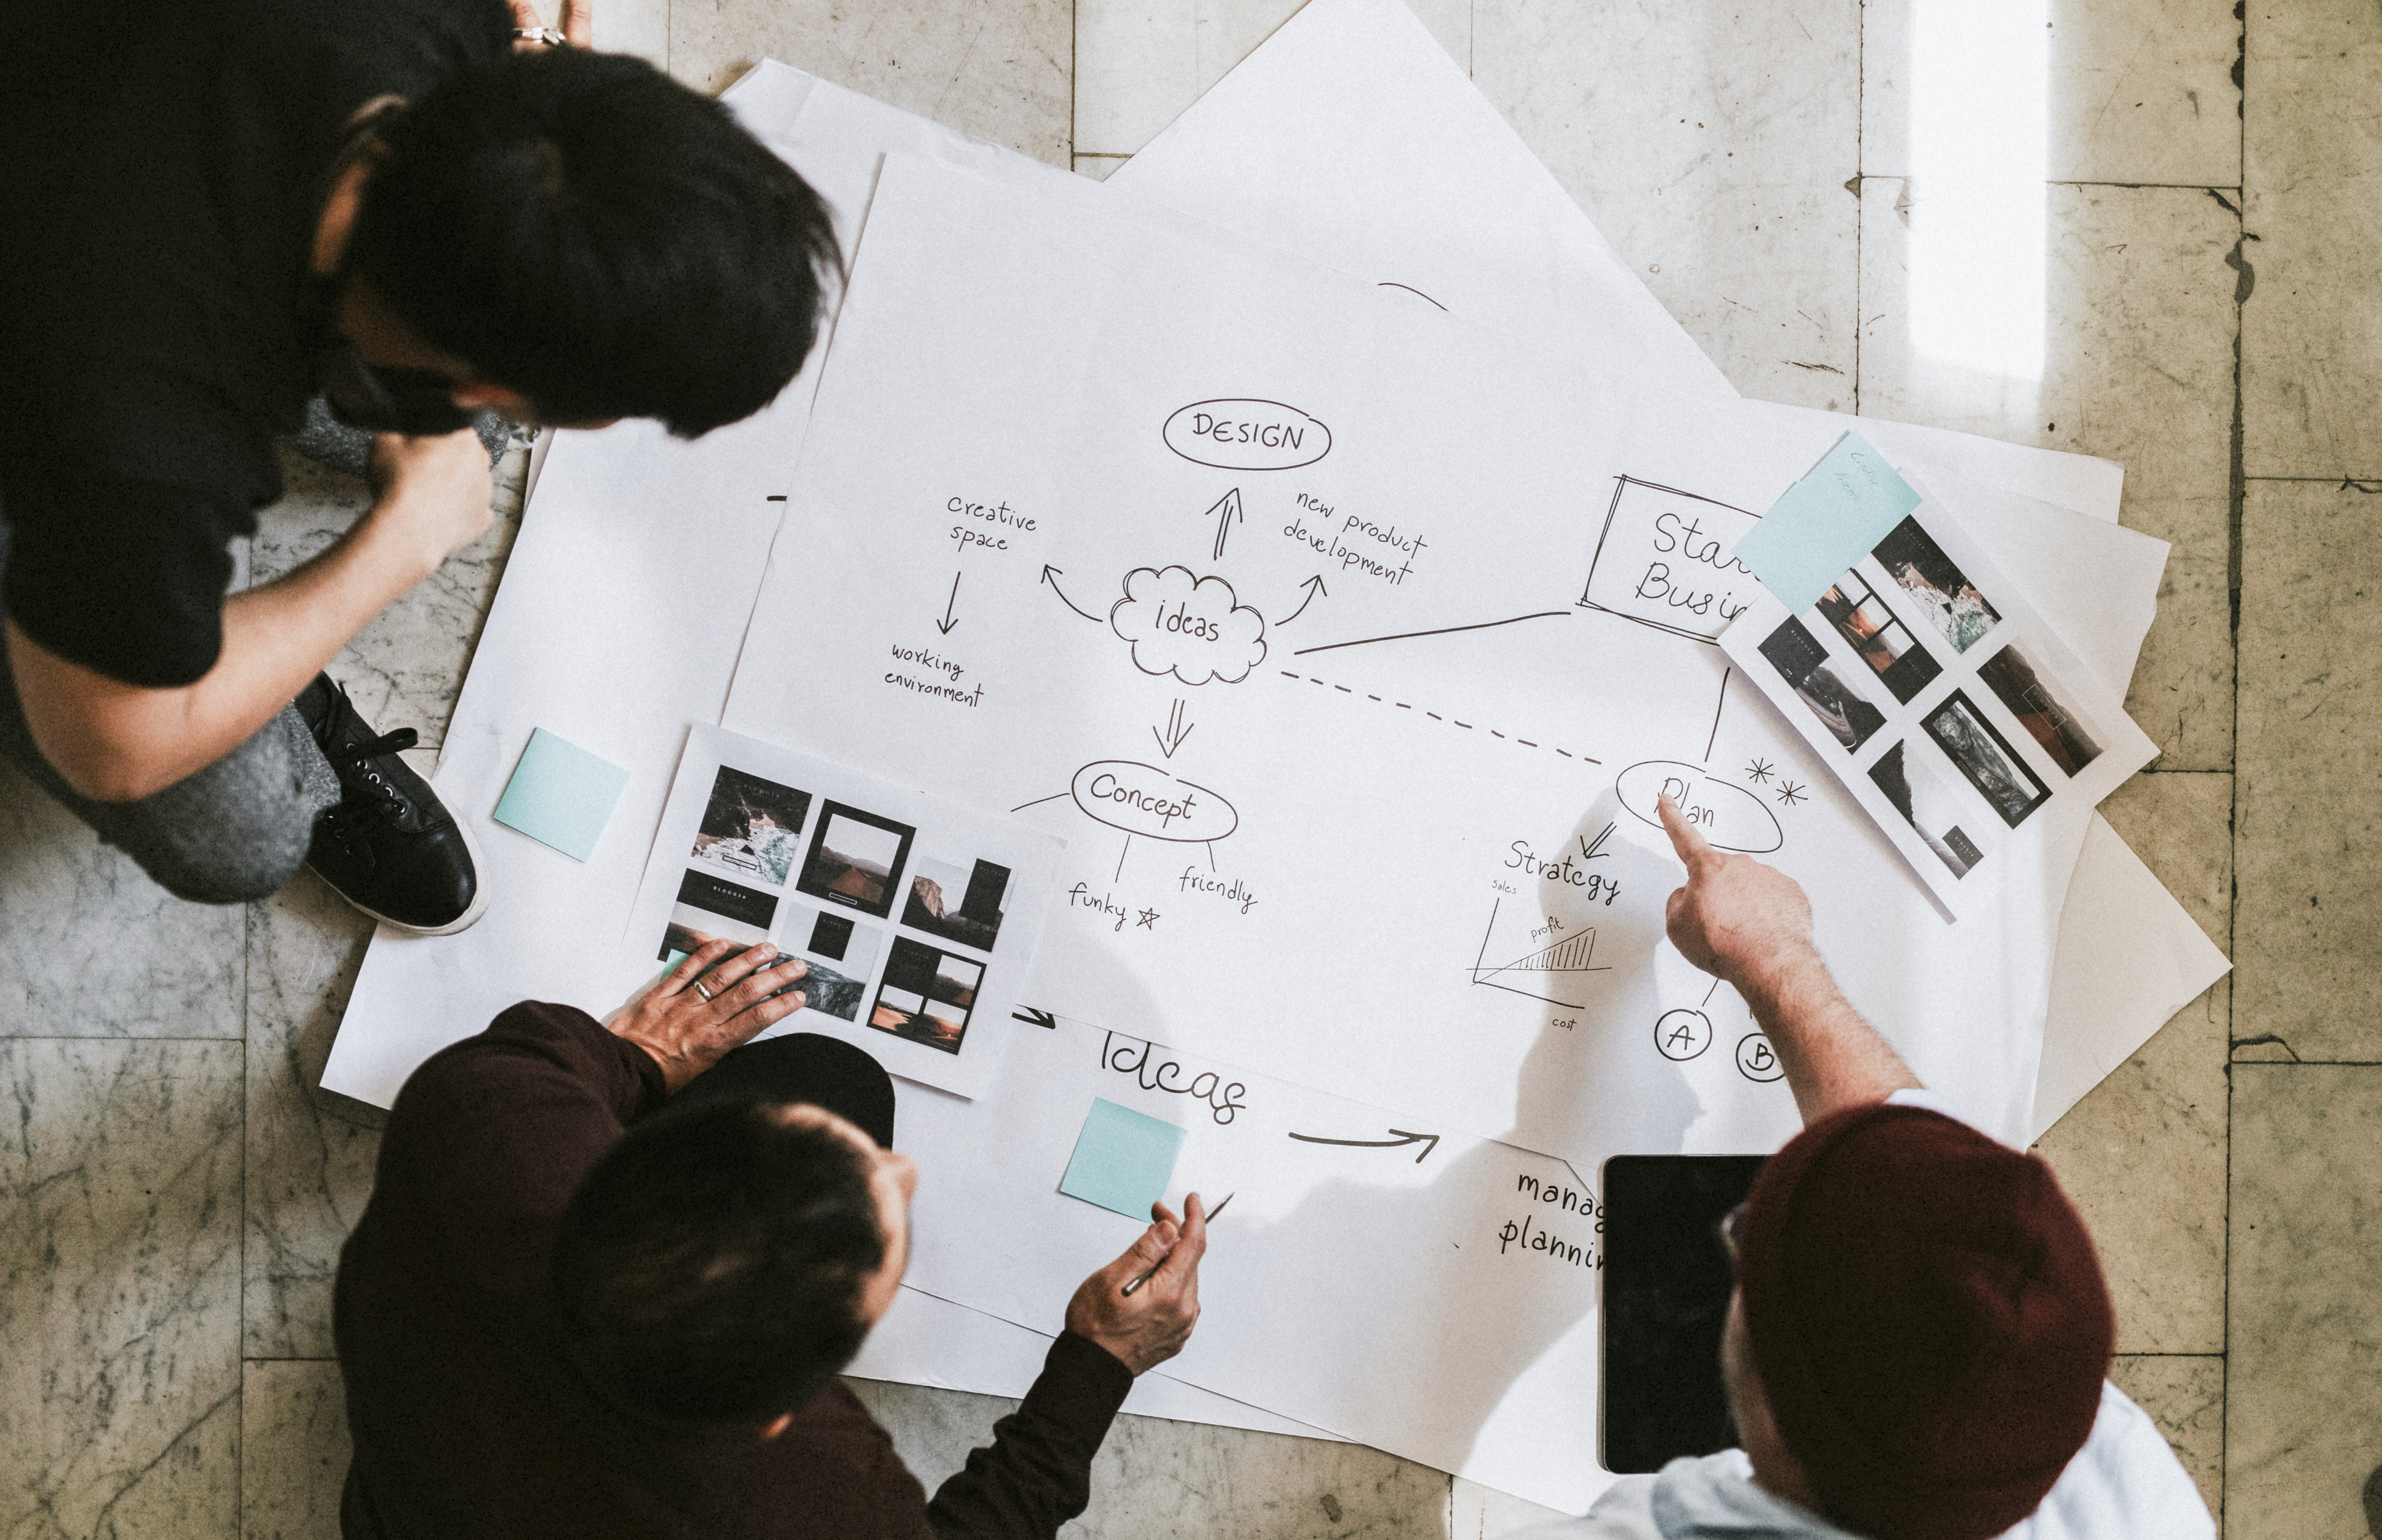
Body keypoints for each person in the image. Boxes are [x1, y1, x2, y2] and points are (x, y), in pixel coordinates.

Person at [0, 0, 837, 932]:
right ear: (475, 375)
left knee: (465, 449)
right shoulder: (140, 438)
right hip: (64, 333)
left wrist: (530, 49)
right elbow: (114, 749)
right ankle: (107, 634)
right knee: (243, 834)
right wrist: (396, 544)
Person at [333, 940, 1210, 1539]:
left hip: (420, 1485)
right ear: (785, 1411)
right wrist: (1099, 1361)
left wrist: (640, 1057)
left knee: (832, 1079)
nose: (901, 1173)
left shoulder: (486, 1119)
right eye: (884, 1245)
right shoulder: (816, 1496)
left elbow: (537, 1056)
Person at [1507, 798, 2214, 1540]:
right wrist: (1772, 954)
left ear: (1769, 1415)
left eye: (1749, 1236)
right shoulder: (2123, 1486)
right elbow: (1934, 1215)